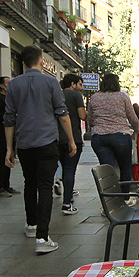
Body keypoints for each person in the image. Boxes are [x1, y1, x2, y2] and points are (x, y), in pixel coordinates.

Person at [4, 46, 76, 254]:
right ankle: (42, 238)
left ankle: (31, 224)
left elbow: (9, 119)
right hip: (46, 142)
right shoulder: (51, 82)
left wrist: (10, 148)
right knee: (45, 187)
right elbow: (62, 114)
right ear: (41, 61)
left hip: (25, 144)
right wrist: (70, 140)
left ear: (23, 63)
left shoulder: (13, 85)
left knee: (30, 183)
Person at [86, 72, 139, 179]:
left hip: (100, 137)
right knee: (125, 168)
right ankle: (124, 195)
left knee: (107, 169)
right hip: (120, 136)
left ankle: (109, 194)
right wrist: (136, 128)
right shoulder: (122, 97)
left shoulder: (94, 97)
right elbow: (133, 118)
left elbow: (90, 118)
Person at [58, 73, 87, 214]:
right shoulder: (76, 96)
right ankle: (66, 202)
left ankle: (67, 191)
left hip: (57, 138)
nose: (81, 88)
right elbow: (82, 115)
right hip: (73, 137)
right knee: (70, 170)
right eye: (80, 84)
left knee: (65, 168)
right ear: (72, 84)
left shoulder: (57, 94)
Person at [0, 76, 19, 197]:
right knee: (3, 160)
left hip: (11, 133)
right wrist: (8, 117)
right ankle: (0, 187)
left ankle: (6, 185)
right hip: (2, 134)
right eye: (8, 83)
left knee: (9, 160)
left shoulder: (11, 98)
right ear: (2, 85)